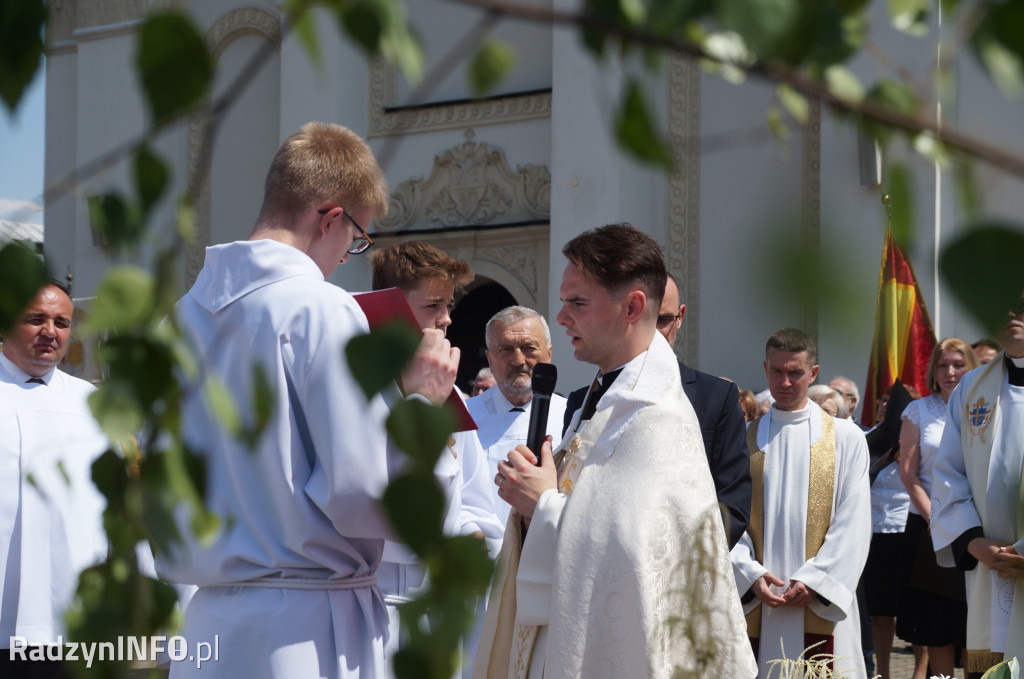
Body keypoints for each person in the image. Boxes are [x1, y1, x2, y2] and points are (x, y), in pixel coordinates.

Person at [156, 122, 461, 679]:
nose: (348, 257)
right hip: (306, 628)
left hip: (209, 626)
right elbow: (361, 494)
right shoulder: (320, 308)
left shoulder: (178, 319)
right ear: (329, 218)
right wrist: (422, 402)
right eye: (357, 237)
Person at [475, 223, 756, 679]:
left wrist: (542, 503)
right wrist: (533, 504)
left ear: (632, 307)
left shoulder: (656, 414)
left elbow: (639, 559)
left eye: (577, 303)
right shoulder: (602, 396)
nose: (561, 317)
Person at [368, 241, 504, 676]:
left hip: (433, 604)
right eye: (433, 305)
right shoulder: (360, 387)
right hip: (370, 600)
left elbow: (473, 500)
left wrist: (473, 533)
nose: (446, 318)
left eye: (449, 305)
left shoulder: (452, 394)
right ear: (391, 307)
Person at [564, 271, 751, 548]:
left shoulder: (716, 398)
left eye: (662, 321)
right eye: (643, 321)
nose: (651, 334)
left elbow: (732, 507)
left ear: (680, 317)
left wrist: (673, 565)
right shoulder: (581, 402)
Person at [732, 328, 871, 679]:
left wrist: (816, 581)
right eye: (777, 371)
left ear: (813, 373)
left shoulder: (846, 438)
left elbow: (854, 521)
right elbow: (729, 517)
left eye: (795, 372)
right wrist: (749, 574)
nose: (785, 381)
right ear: (765, 369)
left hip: (820, 603)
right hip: (760, 600)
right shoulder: (744, 438)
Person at [0, 281, 107, 677]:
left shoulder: (92, 403)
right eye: (36, 319)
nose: (50, 331)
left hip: (72, 611)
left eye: (62, 322)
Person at [932, 301, 1024, 678]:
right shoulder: (972, 387)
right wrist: (972, 542)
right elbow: (948, 473)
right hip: (991, 567)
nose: (1011, 317)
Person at [894, 337, 978, 678]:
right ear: (932, 370)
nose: (950, 372)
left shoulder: (985, 408)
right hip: (929, 527)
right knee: (937, 622)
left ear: (973, 367)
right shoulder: (918, 411)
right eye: (943, 365)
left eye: (958, 364)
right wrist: (936, 517)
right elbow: (908, 473)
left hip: (977, 527)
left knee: (974, 619)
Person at [466, 306, 567, 536]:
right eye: (505, 349)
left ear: (549, 354)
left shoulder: (571, 417)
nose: (519, 360)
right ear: (490, 360)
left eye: (529, 348)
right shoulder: (463, 419)